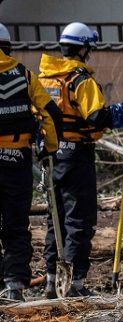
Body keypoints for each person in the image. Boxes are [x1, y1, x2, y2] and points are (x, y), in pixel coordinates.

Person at [38, 22, 123, 298]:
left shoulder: (46, 78)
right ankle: (75, 284)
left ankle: (51, 281)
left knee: (55, 219)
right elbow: (96, 117)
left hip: (51, 155)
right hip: (76, 155)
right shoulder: (81, 80)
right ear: (84, 48)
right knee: (79, 220)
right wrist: (122, 111)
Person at [0, 24, 63, 302]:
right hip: (16, 161)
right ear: (9, 47)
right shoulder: (24, 75)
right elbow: (52, 114)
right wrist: (49, 148)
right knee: (15, 224)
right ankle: (14, 287)